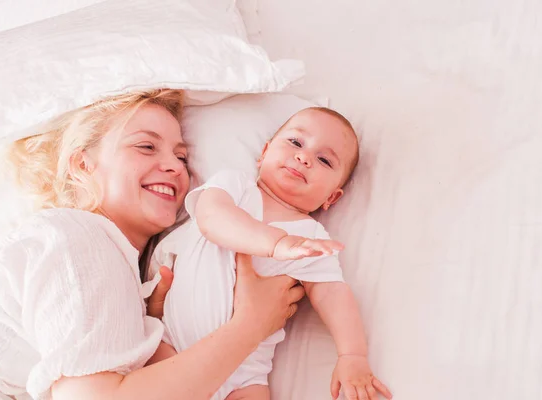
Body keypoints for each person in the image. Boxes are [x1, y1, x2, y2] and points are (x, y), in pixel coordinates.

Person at [0, 89, 305, 400]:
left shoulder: (119, 262)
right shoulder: (75, 239)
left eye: (182, 157)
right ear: (82, 165)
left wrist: (154, 323)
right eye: (146, 146)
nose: (175, 166)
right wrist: (251, 326)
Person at [152, 107, 393, 400]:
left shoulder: (313, 238)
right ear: (264, 153)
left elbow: (332, 293)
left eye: (324, 160)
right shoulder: (236, 187)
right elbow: (211, 218)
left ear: (332, 197)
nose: (304, 157)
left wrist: (352, 354)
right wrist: (276, 243)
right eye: (295, 143)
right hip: (174, 347)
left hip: (244, 376)